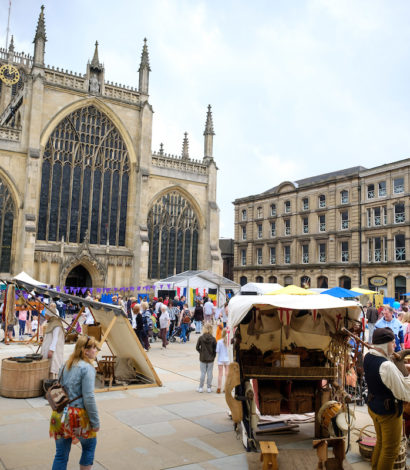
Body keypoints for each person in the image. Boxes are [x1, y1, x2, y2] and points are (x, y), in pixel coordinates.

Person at [49, 335, 100, 470]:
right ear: (85, 350)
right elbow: (88, 397)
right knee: (89, 447)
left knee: (60, 455)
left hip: (59, 415)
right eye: (93, 348)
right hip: (77, 415)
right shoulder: (87, 368)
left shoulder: (66, 364)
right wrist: (95, 422)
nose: (96, 350)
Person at [363, 327, 410, 470]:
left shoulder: (369, 356)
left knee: (381, 443)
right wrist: (407, 375)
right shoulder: (386, 365)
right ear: (384, 344)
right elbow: (404, 393)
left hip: (374, 408)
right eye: (392, 342)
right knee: (390, 451)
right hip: (388, 413)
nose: (395, 345)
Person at [41, 304, 65, 379]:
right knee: (48, 367)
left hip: (53, 350)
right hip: (48, 349)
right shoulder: (51, 323)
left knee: (53, 366)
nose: (45, 317)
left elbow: (55, 338)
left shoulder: (56, 324)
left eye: (47, 315)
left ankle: (52, 382)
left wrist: (51, 350)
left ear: (50, 315)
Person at [196, 323, 216, 393]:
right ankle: (209, 388)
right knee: (210, 373)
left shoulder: (201, 338)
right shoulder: (213, 339)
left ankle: (201, 387)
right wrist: (213, 356)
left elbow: (197, 347)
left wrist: (201, 352)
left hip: (203, 357)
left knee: (203, 373)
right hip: (210, 358)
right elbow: (215, 349)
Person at [216, 328, 229, 394]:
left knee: (220, 374)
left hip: (220, 359)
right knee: (227, 374)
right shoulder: (228, 342)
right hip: (227, 359)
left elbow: (217, 351)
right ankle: (225, 388)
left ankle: (219, 388)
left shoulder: (219, 341)